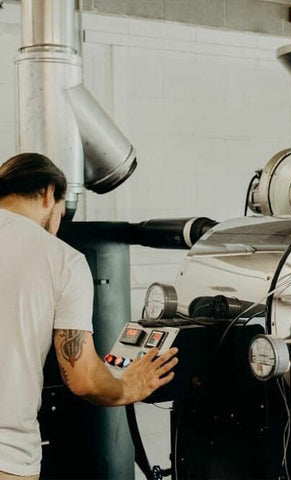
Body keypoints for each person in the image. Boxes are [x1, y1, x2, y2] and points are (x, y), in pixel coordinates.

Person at [0, 153, 178, 480]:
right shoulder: (62, 259)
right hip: (6, 455)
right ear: (49, 193)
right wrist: (129, 387)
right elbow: (83, 379)